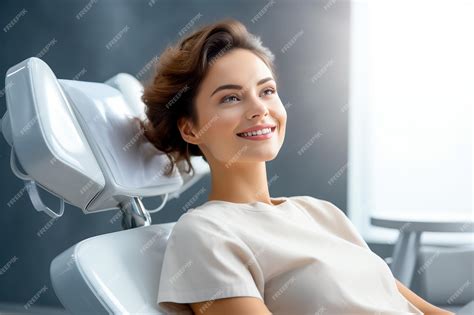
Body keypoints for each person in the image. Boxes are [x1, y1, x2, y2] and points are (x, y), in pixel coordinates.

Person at [141, 18, 453, 315]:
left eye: (267, 91)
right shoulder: (205, 233)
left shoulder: (321, 213)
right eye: (231, 98)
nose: (260, 109)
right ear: (190, 129)